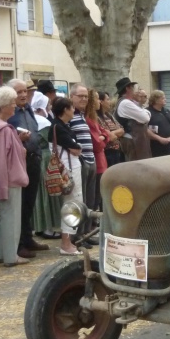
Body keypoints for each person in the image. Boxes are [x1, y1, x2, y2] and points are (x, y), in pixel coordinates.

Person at [0, 86, 30, 267]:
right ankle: (11, 256)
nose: (14, 106)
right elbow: (1, 159)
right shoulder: (3, 129)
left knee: (3, 216)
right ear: (3, 107)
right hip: (8, 179)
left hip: (0, 177)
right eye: (11, 103)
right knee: (11, 217)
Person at [7, 79, 49, 258]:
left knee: (30, 202)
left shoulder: (29, 109)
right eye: (19, 92)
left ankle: (28, 237)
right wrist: (19, 139)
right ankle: (18, 244)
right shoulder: (9, 113)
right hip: (19, 162)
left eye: (25, 91)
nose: (24, 95)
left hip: (34, 159)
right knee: (20, 204)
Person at [50, 97, 83, 255]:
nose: (73, 111)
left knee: (74, 203)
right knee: (72, 203)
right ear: (65, 110)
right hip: (68, 168)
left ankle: (69, 239)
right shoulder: (58, 127)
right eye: (71, 108)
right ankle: (66, 242)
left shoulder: (62, 126)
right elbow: (76, 148)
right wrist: (76, 147)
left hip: (70, 166)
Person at [30, 91, 62, 239]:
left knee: (37, 193)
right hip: (45, 157)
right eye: (47, 105)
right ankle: (47, 227)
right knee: (46, 193)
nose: (49, 108)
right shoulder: (43, 122)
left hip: (35, 157)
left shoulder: (30, 120)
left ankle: (39, 226)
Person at [69, 84, 98, 236]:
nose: (84, 99)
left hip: (90, 158)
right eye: (80, 96)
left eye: (86, 96)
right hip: (80, 161)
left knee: (90, 201)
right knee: (81, 200)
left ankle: (87, 233)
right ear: (71, 97)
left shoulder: (81, 114)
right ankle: (79, 235)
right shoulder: (69, 115)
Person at [114, 78, 151, 161]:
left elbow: (146, 115)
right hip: (133, 140)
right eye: (133, 87)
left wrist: (144, 112)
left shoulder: (127, 102)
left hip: (135, 140)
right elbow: (146, 118)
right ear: (128, 88)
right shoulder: (125, 103)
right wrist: (145, 112)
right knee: (137, 168)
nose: (135, 90)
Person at [86, 89, 112, 208]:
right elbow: (97, 144)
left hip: (101, 161)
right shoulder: (88, 120)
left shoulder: (94, 119)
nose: (99, 102)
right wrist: (104, 138)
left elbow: (106, 133)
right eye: (96, 99)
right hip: (97, 161)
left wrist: (104, 137)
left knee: (100, 196)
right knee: (95, 197)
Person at [147, 90, 170, 157]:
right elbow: (145, 129)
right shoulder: (148, 112)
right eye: (163, 98)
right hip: (155, 147)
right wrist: (160, 139)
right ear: (156, 100)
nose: (165, 100)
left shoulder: (166, 111)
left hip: (169, 146)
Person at [98, 91, 125, 167]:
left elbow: (122, 130)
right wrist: (115, 133)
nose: (110, 102)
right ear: (101, 101)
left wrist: (113, 133)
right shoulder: (97, 118)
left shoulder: (109, 115)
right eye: (108, 99)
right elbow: (109, 136)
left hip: (116, 150)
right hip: (107, 152)